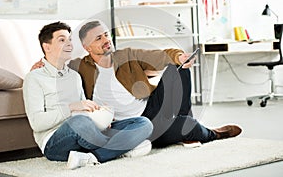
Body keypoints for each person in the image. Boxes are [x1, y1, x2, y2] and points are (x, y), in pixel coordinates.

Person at [32, 20, 242, 148]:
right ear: (87, 47)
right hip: (133, 126)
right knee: (186, 128)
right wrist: (40, 63)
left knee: (177, 69)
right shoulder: (79, 67)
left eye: (106, 34)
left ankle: (186, 123)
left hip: (151, 108)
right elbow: (55, 64)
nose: (106, 40)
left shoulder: (127, 55)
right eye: (98, 38)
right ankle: (211, 134)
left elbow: (161, 56)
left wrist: (179, 56)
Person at [23, 21, 153, 170]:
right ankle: (125, 147)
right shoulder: (34, 78)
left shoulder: (74, 76)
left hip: (87, 132)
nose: (69, 44)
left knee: (143, 123)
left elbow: (85, 108)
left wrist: (102, 117)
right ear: (47, 47)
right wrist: (71, 108)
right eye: (62, 40)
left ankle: (92, 157)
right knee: (79, 122)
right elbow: (37, 123)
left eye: (70, 39)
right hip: (55, 141)